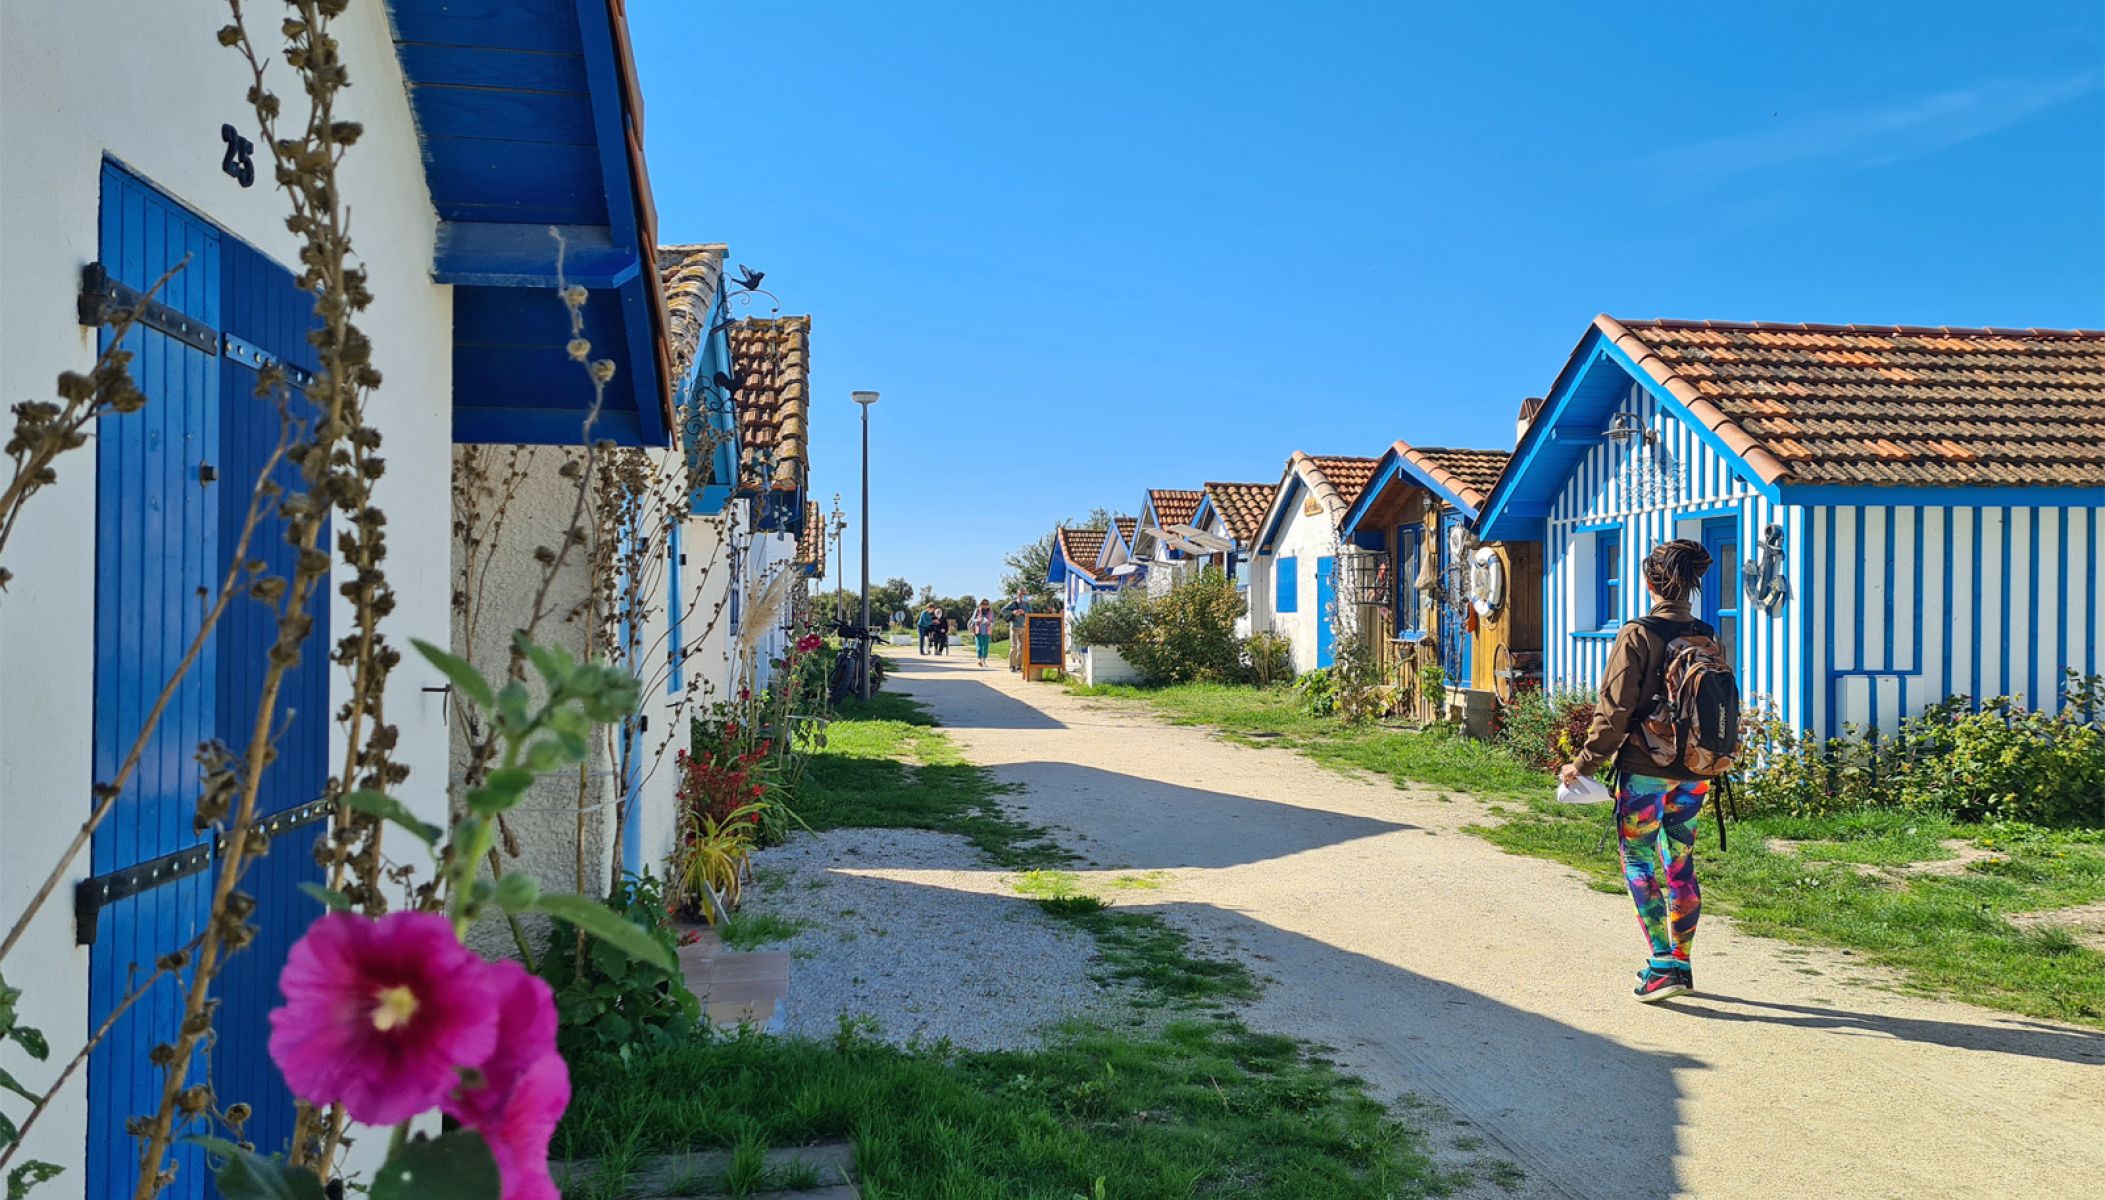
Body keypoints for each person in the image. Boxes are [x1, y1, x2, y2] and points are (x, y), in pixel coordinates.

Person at [1559, 538, 1718, 1004]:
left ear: (1649, 582)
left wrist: (1582, 763)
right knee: (1680, 861)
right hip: (1696, 771)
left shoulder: (1638, 633)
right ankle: (1681, 964)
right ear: (1690, 584)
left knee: (1639, 859)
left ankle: (1662, 966)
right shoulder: (1706, 633)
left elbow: (1614, 711)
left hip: (1646, 769)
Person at [1001, 591, 1030, 672]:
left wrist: (1024, 612)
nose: (1022, 595)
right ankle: (1012, 666)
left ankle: (1019, 666)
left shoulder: (1027, 604)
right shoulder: (1013, 603)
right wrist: (1013, 612)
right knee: (1014, 646)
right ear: (1017, 594)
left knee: (1022, 648)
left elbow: (1031, 613)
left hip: (1024, 627)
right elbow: (1003, 611)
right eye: (1021, 594)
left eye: (1024, 594)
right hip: (1014, 627)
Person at [970, 600, 997, 667]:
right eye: (983, 604)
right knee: (979, 646)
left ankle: (984, 660)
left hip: (987, 631)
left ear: (988, 605)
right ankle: (980, 660)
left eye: (986, 604)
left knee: (985, 647)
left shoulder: (990, 612)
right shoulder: (977, 610)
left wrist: (989, 623)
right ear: (980, 604)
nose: (984, 605)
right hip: (978, 631)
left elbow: (993, 622)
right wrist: (978, 620)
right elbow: (973, 619)